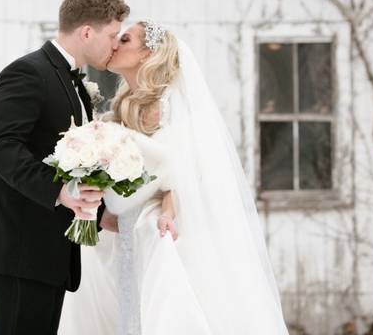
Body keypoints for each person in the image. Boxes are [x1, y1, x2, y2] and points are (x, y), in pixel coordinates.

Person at [58, 21, 291, 335]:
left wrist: (168, 211)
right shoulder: (123, 106)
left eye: (125, 39)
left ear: (147, 54)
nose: (115, 45)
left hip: (157, 222)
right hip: (121, 220)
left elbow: (181, 171)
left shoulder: (167, 106)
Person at [0, 0, 130, 335]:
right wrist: (60, 192)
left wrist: (101, 215)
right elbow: (0, 148)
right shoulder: (27, 73)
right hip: (21, 246)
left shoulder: (72, 82)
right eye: (113, 35)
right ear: (87, 32)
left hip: (48, 251)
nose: (116, 44)